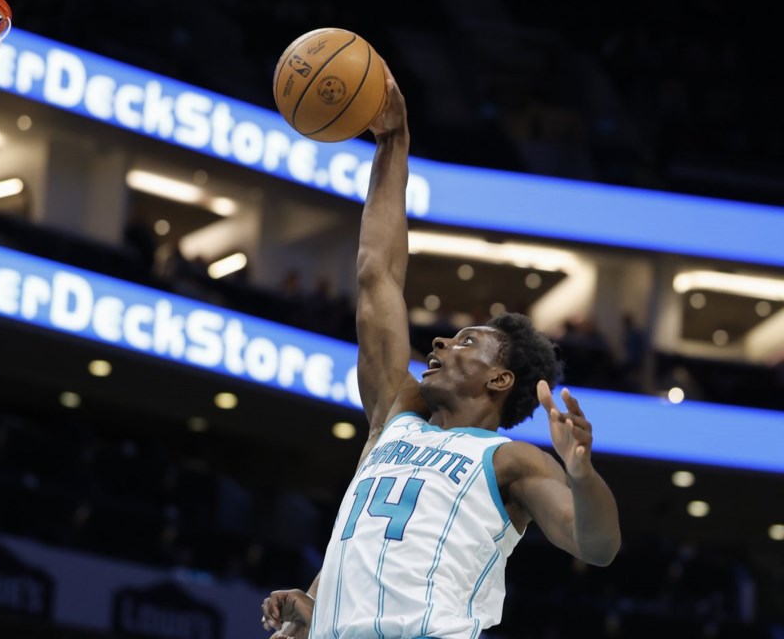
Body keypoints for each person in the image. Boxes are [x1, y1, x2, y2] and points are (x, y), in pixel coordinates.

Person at [259, 64, 621, 638]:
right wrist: (393, 142)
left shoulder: (510, 462)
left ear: (499, 380)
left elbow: (595, 545)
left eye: (467, 341)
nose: (442, 342)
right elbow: (377, 273)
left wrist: (582, 475)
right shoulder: (394, 416)